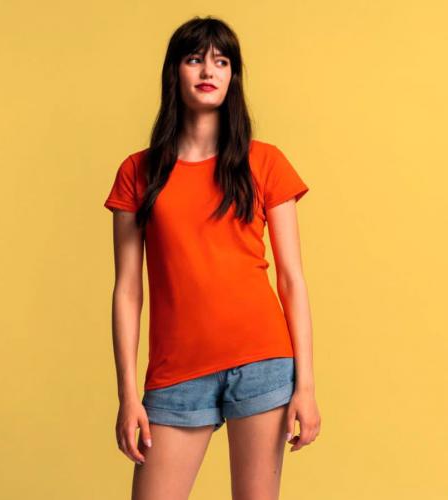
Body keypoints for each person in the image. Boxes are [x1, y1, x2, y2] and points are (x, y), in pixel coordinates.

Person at [103, 16, 321, 500]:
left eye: (221, 62)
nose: (208, 71)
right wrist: (127, 395)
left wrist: (305, 385)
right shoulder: (137, 172)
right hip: (176, 373)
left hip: (262, 361)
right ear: (175, 72)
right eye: (195, 59)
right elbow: (128, 290)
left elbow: (291, 279)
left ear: (233, 76)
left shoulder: (265, 162)